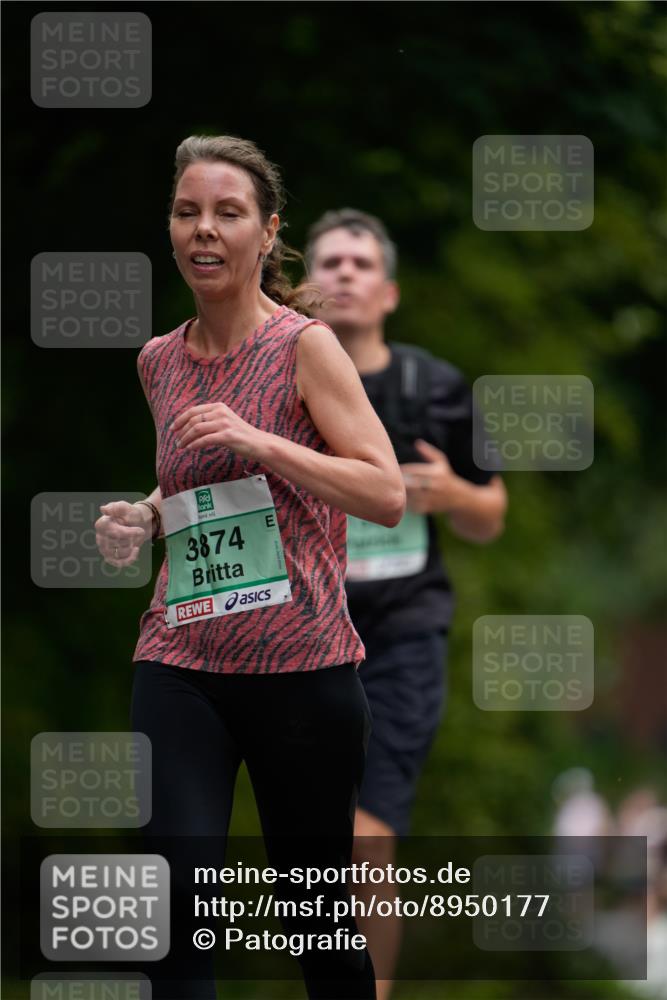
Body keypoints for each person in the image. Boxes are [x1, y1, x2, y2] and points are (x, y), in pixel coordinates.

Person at [94, 139, 407, 1000]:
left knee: (314, 925)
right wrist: (145, 516)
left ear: (266, 233)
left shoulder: (306, 348)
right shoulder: (158, 360)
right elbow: (192, 484)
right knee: (173, 903)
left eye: (227, 213)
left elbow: (384, 492)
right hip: (181, 661)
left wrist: (260, 439)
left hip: (300, 670)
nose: (204, 229)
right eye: (187, 211)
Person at [305, 209, 507, 998]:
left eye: (360, 263)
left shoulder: (436, 388)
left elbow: (490, 516)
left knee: (366, 839)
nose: (344, 273)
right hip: (301, 636)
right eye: (329, 261)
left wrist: (453, 492)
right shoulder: (278, 383)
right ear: (304, 287)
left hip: (401, 637)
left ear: (388, 292)